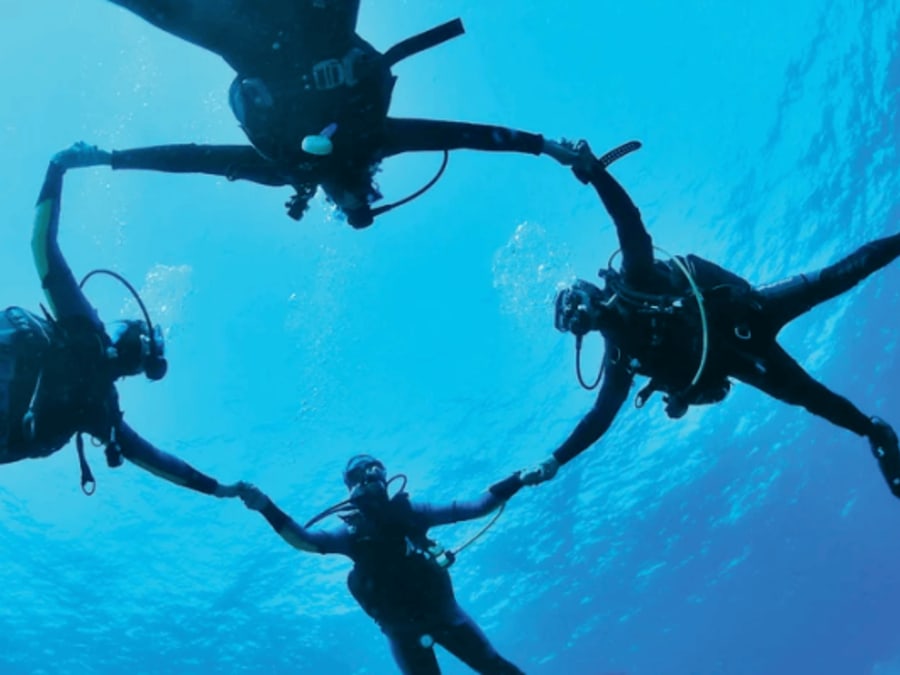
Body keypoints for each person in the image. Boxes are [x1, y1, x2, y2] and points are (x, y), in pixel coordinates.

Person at [522, 142, 900, 498]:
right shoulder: (620, 359)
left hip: (748, 310)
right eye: (567, 319)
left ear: (589, 288)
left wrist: (595, 173)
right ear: (575, 333)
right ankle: (873, 431)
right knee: (811, 398)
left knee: (837, 277)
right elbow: (599, 418)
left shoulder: (637, 278)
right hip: (739, 361)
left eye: (571, 301)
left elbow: (629, 222)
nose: (575, 312)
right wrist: (556, 460)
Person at [103, 1, 579, 227]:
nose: (343, 201)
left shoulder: (286, 169)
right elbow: (460, 135)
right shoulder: (373, 138)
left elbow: (196, 158)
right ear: (371, 191)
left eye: (338, 206)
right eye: (357, 202)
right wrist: (546, 146)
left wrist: (113, 158)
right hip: (318, 29)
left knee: (162, 9)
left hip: (261, 49)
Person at [0, 142, 241, 498]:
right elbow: (158, 462)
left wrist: (57, 167)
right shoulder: (100, 404)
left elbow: (41, 244)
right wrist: (221, 489)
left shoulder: (96, 387)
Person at [238, 454, 526, 674]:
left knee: (495, 668)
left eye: (376, 467)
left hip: (444, 614)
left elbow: (478, 507)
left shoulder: (410, 512)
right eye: (359, 471)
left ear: (386, 476)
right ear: (348, 482)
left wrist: (518, 479)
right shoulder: (352, 531)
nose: (370, 473)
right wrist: (265, 506)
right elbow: (305, 541)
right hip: (403, 632)